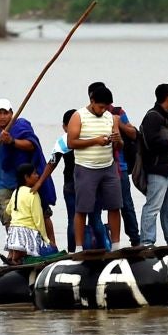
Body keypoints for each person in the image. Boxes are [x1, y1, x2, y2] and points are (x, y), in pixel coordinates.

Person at [0, 98, 53, 228]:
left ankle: (51, 245)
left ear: (12, 113)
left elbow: (31, 145)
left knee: (42, 214)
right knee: (8, 218)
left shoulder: (20, 126)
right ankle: (14, 247)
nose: (2, 117)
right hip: (5, 183)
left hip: (27, 181)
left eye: (6, 113)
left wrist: (12, 141)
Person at [66, 84, 123, 253]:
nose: (103, 109)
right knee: (82, 208)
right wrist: (95, 141)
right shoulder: (78, 116)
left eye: (106, 107)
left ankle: (116, 245)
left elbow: (120, 145)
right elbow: (71, 143)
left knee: (114, 205)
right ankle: (78, 247)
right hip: (86, 167)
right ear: (92, 101)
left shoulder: (110, 118)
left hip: (108, 166)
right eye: (100, 106)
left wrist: (117, 139)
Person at [88, 82, 142, 247]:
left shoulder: (118, 112)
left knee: (125, 204)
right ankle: (105, 242)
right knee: (98, 207)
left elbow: (134, 134)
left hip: (119, 166)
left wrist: (119, 125)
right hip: (97, 167)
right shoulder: (87, 116)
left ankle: (135, 240)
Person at [51, 108, 109, 251]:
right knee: (96, 219)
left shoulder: (62, 141)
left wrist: (40, 182)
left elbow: (52, 162)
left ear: (64, 126)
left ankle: (73, 251)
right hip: (91, 183)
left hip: (71, 184)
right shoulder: (90, 138)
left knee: (73, 220)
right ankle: (104, 249)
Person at [139, 82, 168, 246]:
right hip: (158, 169)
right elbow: (150, 143)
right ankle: (147, 241)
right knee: (153, 207)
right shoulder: (152, 116)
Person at [4, 162, 58, 264]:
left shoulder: (16, 191)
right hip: (28, 233)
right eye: (34, 174)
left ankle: (16, 257)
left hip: (14, 234)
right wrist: (47, 239)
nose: (38, 176)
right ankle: (21, 257)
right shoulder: (33, 193)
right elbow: (38, 220)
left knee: (22, 248)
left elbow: (8, 210)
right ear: (26, 177)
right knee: (52, 251)